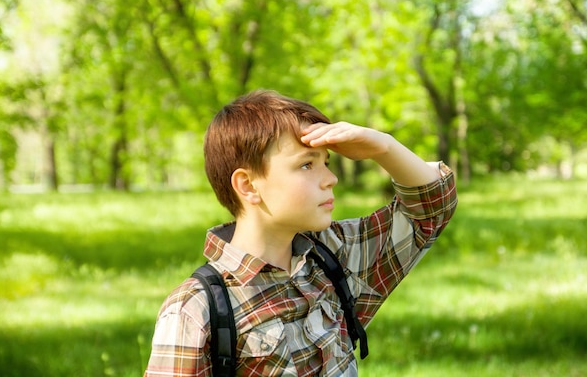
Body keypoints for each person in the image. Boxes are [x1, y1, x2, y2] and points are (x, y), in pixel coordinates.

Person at [144, 90, 457, 377]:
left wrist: (384, 147)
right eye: (307, 165)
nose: (331, 178)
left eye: (326, 162)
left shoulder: (334, 257)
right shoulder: (196, 309)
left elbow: (431, 209)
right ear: (249, 186)